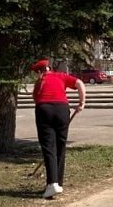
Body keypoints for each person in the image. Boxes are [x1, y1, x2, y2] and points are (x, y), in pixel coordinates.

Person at [31, 59, 86, 199]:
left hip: (44, 110)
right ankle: (58, 183)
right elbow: (79, 83)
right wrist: (81, 102)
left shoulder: (39, 83)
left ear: (39, 72)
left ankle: (52, 184)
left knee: (49, 147)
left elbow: (36, 99)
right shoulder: (61, 76)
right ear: (50, 68)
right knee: (60, 146)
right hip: (62, 110)